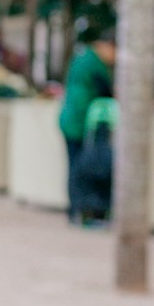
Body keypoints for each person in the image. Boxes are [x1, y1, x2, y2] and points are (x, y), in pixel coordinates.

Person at [58, 23, 115, 224]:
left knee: (74, 165)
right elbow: (107, 91)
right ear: (106, 46)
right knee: (79, 167)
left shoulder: (84, 58)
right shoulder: (95, 63)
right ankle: (79, 210)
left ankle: (75, 211)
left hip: (70, 121)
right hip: (77, 123)